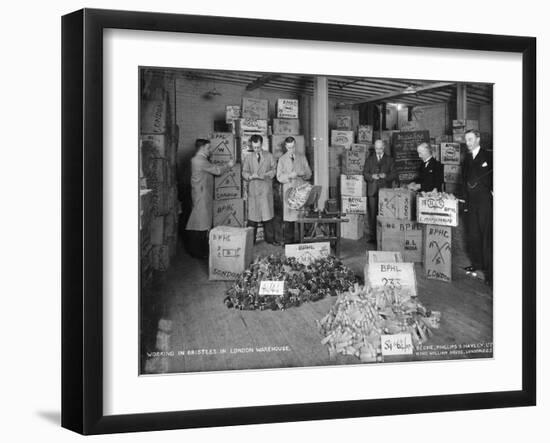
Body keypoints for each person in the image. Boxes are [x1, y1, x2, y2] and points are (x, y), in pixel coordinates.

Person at [185, 138, 234, 259]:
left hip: (202, 194)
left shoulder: (200, 160)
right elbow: (217, 170)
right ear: (202, 148)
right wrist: (229, 165)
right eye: (208, 148)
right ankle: (197, 251)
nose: (210, 150)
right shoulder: (199, 160)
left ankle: (198, 250)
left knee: (201, 222)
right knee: (200, 223)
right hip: (201, 195)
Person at [462, 129, 493, 285]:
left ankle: (490, 273)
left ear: (478, 139)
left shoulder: (489, 156)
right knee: (473, 235)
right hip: (471, 203)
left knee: (486, 236)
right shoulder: (467, 158)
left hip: (485, 202)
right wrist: (465, 202)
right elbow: (464, 180)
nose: (468, 143)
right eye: (466, 140)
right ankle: (477, 265)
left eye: (471, 139)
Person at [241, 135, 280, 245]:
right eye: (254, 147)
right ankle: (249, 241)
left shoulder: (269, 156)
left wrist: (266, 175)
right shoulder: (249, 157)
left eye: (258, 147)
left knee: (268, 217)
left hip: (265, 190)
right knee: (252, 219)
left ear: (261, 144)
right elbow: (244, 172)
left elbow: (274, 170)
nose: (256, 149)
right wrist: (250, 176)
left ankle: (270, 240)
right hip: (254, 190)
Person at [276, 136, 312, 244]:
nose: (291, 149)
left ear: (295, 145)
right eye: (289, 147)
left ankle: (303, 242)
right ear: (285, 147)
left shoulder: (302, 157)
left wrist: (303, 174)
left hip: (301, 190)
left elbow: (309, 173)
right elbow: (279, 177)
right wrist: (289, 175)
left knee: (301, 217)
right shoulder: (282, 159)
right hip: (289, 191)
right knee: (289, 218)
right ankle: (289, 243)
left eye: (293, 147)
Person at [363, 139, 396, 243]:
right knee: (373, 214)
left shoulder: (390, 160)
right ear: (374, 148)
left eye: (380, 148)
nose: (378, 150)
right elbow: (365, 173)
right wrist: (372, 176)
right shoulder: (369, 159)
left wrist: (385, 175)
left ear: (384, 147)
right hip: (372, 192)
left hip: (385, 192)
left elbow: (394, 174)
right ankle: (374, 237)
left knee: (385, 214)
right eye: (377, 148)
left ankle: (385, 236)